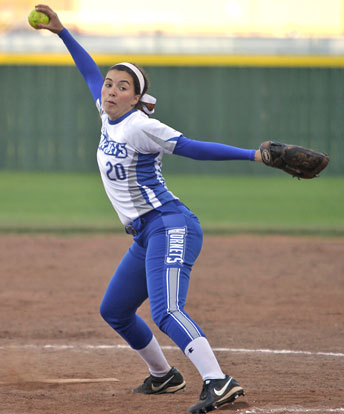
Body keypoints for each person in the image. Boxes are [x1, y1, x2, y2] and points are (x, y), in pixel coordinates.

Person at [32, 5, 263, 413]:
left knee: (167, 310)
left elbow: (191, 147)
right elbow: (88, 71)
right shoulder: (107, 116)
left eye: (122, 87)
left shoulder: (141, 125)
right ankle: (164, 376)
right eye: (109, 84)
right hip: (145, 233)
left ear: (137, 98)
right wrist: (62, 32)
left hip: (171, 225)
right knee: (116, 311)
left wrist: (252, 155)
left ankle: (218, 381)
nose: (110, 90)